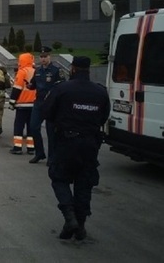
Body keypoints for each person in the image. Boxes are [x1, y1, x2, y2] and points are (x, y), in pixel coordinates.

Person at [42, 56, 109, 241]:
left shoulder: (62, 89)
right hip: (90, 144)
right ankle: (80, 226)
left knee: (59, 177)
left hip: (66, 142)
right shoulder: (100, 92)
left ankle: (69, 216)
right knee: (84, 182)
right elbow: (104, 116)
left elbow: (47, 112)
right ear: (88, 70)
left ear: (72, 69)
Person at [28, 46, 66, 164]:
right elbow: (33, 85)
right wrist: (29, 86)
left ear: (50, 57)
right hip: (39, 102)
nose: (43, 59)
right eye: (41, 57)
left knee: (51, 132)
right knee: (33, 127)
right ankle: (39, 153)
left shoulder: (56, 70)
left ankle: (52, 157)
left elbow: (62, 86)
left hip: (51, 104)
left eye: (45, 57)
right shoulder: (38, 71)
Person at [8, 53, 36, 154]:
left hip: (22, 104)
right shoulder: (35, 71)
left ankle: (17, 147)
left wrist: (12, 102)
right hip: (33, 104)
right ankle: (31, 148)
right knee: (30, 126)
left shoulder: (21, 72)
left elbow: (17, 89)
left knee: (19, 126)